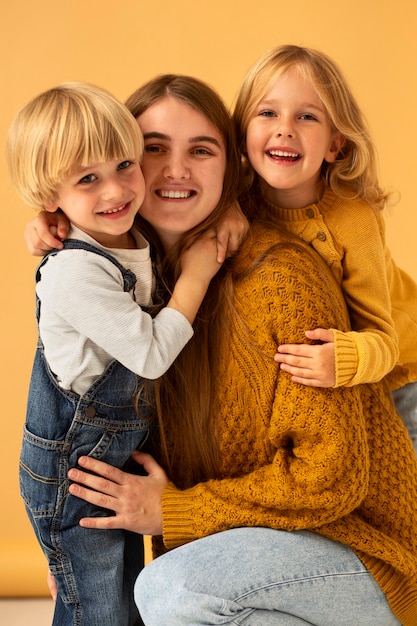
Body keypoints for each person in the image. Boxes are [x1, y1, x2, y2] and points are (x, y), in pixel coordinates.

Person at [59, 75, 417, 625]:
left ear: (231, 168)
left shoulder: (280, 279)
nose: (175, 171)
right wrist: (56, 219)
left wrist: (173, 511)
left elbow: (332, 476)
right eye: (153, 149)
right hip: (267, 562)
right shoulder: (131, 289)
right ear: (121, 163)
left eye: (201, 151)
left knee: (171, 590)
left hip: (363, 555)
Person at [7, 81, 243, 626]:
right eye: (88, 179)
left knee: (127, 607)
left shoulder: (124, 231)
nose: (116, 190)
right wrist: (196, 276)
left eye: (124, 164)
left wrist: (230, 209)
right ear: (51, 195)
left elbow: (197, 195)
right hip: (72, 471)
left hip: (108, 461)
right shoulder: (72, 269)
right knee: (100, 615)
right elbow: (153, 355)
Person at [232, 44, 417, 450]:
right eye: (267, 113)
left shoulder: (354, 219)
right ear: (242, 133)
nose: (285, 128)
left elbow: (382, 338)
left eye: (307, 117)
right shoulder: (236, 205)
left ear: (336, 145)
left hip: (400, 374)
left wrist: (348, 358)